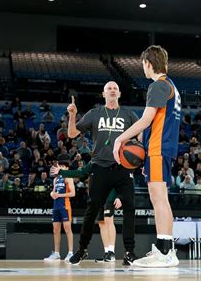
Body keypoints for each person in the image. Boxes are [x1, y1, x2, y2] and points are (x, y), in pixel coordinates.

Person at [113, 45, 180, 268]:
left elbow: (145, 121)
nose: (143, 68)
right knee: (161, 198)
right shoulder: (171, 86)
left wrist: (119, 139)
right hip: (161, 148)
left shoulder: (158, 85)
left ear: (148, 64)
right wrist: (142, 150)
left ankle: (164, 252)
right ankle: (166, 249)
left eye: (143, 64)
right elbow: (149, 125)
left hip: (159, 148)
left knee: (158, 198)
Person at [65, 81, 139, 266]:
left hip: (123, 167)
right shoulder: (94, 113)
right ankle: (82, 250)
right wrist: (72, 115)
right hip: (99, 166)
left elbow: (141, 137)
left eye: (115, 88)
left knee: (129, 208)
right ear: (103, 94)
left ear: (119, 94)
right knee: (92, 211)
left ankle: (129, 253)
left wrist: (141, 159)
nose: (112, 90)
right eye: (109, 89)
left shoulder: (129, 114)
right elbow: (72, 134)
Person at [52, 162, 121, 263]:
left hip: (110, 196)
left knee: (108, 220)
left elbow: (119, 180)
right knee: (101, 223)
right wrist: (62, 172)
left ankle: (111, 252)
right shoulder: (93, 163)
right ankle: (107, 253)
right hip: (99, 197)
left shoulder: (110, 162)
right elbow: (79, 172)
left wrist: (119, 196)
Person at [44, 161, 75, 262]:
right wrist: (52, 193)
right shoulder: (56, 179)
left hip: (65, 206)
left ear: (66, 168)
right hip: (56, 206)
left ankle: (70, 253)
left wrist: (59, 195)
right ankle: (56, 254)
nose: (60, 168)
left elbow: (73, 193)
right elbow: (54, 192)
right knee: (56, 229)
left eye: (62, 166)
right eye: (59, 166)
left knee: (67, 228)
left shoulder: (68, 177)